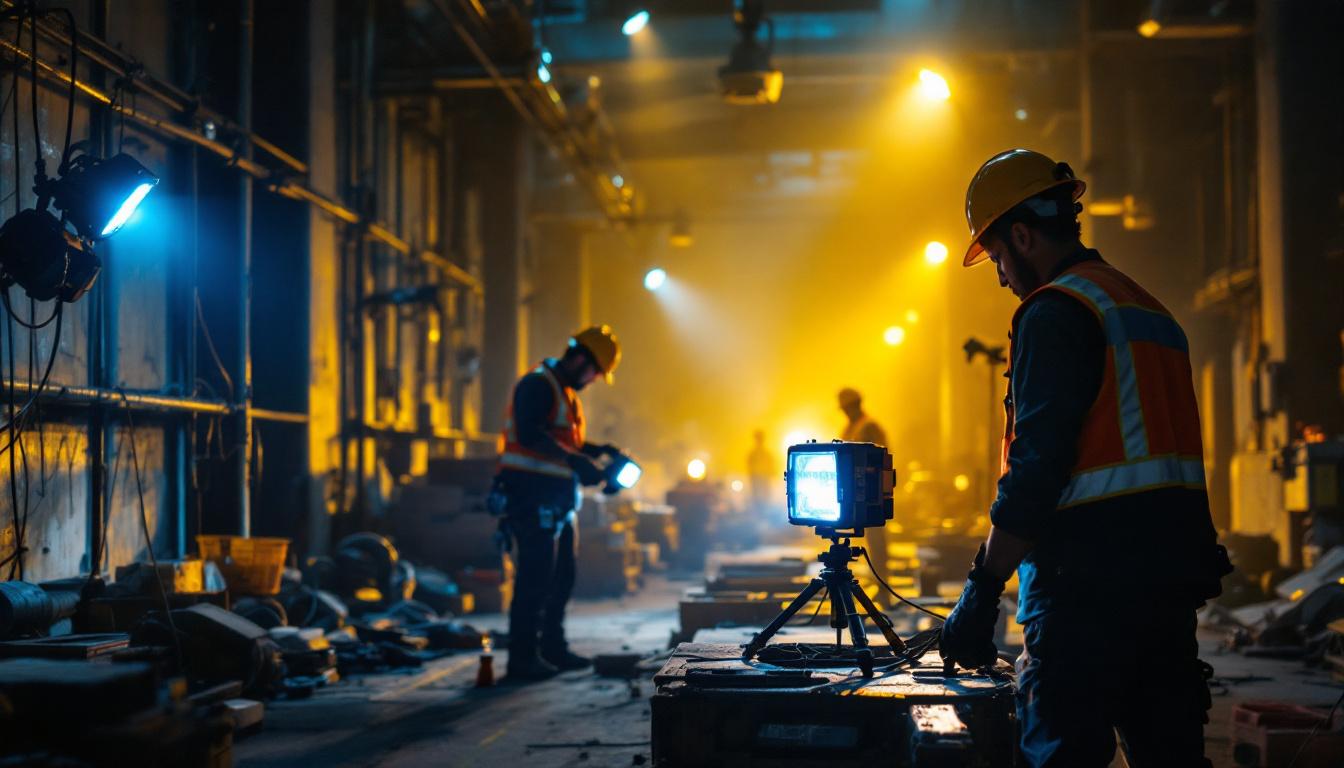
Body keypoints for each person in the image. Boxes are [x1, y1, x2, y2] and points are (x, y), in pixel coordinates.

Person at [939, 149, 1230, 766]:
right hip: (1166, 585)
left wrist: (984, 587)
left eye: (995, 257)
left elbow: (1036, 471)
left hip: (1083, 594)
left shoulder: (1054, 313)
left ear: (1021, 235)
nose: (999, 275)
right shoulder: (1147, 309)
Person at [496, 325, 631, 682]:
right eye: (594, 372)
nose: (593, 380)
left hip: (557, 499)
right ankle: (522, 659)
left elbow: (562, 441)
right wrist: (576, 461)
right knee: (534, 578)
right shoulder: (538, 385)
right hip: (530, 494)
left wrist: (597, 452)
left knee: (561, 577)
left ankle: (552, 648)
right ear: (580, 358)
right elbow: (529, 434)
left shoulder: (565, 393)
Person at [745, 429, 775, 509]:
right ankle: (758, 509)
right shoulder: (753, 453)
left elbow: (770, 464)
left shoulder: (766, 453)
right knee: (756, 494)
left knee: (765, 494)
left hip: (763, 477)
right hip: (756, 477)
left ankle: (763, 509)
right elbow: (749, 464)